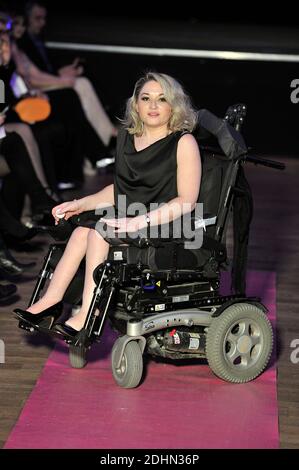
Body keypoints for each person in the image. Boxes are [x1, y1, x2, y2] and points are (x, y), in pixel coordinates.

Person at [14, 72, 201, 339]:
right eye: (145, 98)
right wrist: (79, 204)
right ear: (135, 104)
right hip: (131, 220)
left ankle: (90, 311)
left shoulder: (183, 142)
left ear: (174, 105)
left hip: (167, 224)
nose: (152, 105)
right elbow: (119, 191)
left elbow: (187, 200)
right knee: (81, 231)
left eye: (162, 99)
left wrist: (138, 221)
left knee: (100, 231)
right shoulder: (127, 137)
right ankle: (51, 302)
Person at [17, 3, 118, 158]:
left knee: (82, 81)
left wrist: (63, 73)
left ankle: (106, 137)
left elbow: (41, 71)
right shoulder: (19, 44)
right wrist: (61, 80)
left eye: (44, 18)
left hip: (39, 86)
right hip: (32, 92)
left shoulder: (33, 40)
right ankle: (106, 138)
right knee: (78, 87)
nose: (42, 23)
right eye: (37, 18)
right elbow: (31, 78)